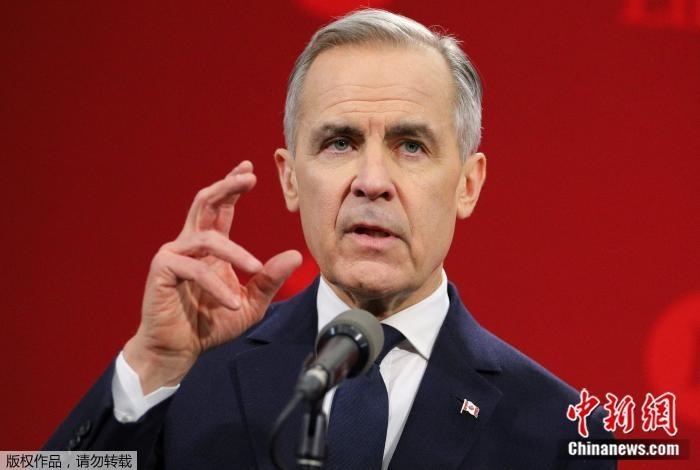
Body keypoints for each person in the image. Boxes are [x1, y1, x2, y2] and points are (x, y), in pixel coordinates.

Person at [45, 8, 614, 469]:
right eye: (339, 143)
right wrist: (150, 365)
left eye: (411, 146)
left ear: (468, 184)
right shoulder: (188, 373)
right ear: (291, 179)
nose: (372, 181)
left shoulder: (560, 432)